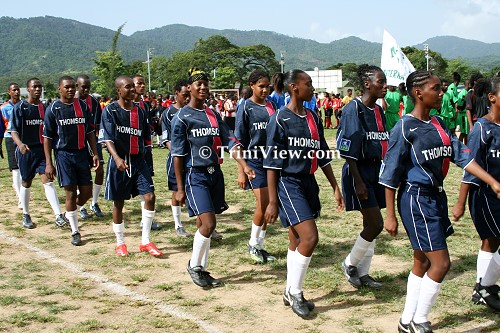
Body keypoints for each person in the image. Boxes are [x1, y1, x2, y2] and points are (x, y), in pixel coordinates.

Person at [379, 70, 500, 333]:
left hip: (436, 197)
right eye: (436, 88)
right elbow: (389, 176)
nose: (442, 93)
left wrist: (491, 181)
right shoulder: (404, 127)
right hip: (416, 199)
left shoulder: (439, 124)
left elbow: (463, 157)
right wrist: (390, 215)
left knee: (422, 262)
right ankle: (420, 321)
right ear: (418, 93)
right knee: (442, 263)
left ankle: (406, 320)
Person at [264, 69, 343, 318]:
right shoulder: (279, 119)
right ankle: (295, 292)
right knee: (310, 238)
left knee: (296, 240)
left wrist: (334, 185)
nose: (312, 88)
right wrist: (272, 201)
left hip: (309, 183)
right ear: (294, 88)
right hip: (289, 183)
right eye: (308, 84)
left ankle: (289, 289)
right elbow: (271, 164)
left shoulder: (312, 116)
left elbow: (321, 154)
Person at [170, 68, 255, 288]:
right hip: (194, 174)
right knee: (209, 224)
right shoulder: (181, 117)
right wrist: (179, 188)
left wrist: (243, 165)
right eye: (198, 84)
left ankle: (203, 268)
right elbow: (178, 156)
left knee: (203, 223)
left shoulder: (213, 114)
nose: (203, 87)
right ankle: (194, 266)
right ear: (189, 88)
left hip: (214, 173)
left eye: (206, 84)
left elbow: (230, 141)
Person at [336, 64, 389, 290]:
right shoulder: (353, 110)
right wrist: (358, 181)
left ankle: (363, 273)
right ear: (367, 84)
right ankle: (349, 263)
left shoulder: (378, 111)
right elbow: (347, 150)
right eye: (381, 82)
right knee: (377, 223)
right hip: (358, 171)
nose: (385, 86)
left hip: (376, 171)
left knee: (370, 223)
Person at [99, 76, 162, 257]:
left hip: (138, 160)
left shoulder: (141, 112)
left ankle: (145, 241)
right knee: (119, 202)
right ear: (118, 90)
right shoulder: (110, 111)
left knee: (149, 197)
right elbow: (107, 138)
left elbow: (145, 137)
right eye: (128, 87)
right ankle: (120, 243)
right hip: (119, 161)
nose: (132, 90)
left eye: (132, 87)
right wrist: (117, 158)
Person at [452, 76, 500, 312]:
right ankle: (485, 286)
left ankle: (482, 287)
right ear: (492, 97)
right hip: (485, 196)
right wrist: (460, 203)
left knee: (491, 241)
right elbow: (470, 167)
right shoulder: (482, 128)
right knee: (493, 239)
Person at [43, 76, 100, 246]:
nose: (70, 90)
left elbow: (90, 131)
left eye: (72, 87)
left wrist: (94, 153)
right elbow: (47, 138)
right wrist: (48, 163)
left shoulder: (82, 106)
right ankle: (75, 231)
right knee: (70, 191)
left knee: (86, 192)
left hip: (82, 153)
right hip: (63, 154)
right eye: (66, 87)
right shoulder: (53, 109)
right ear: (59, 88)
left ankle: (70, 212)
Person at [10, 78, 68, 229]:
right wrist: (20, 144)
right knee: (26, 182)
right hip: (26, 150)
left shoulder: (45, 108)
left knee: (48, 180)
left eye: (39, 87)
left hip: (42, 150)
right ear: (28, 89)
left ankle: (58, 215)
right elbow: (13, 130)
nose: (37, 89)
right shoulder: (20, 107)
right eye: (34, 87)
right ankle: (26, 214)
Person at [235, 69, 277, 264]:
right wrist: (241, 169)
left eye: (267, 86)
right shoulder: (245, 108)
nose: (265, 90)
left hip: (272, 161)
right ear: (251, 86)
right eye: (261, 86)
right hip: (253, 161)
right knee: (263, 203)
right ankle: (252, 243)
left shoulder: (272, 106)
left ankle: (260, 245)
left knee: (270, 204)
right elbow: (238, 141)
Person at [160, 78, 191, 237]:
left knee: (196, 189)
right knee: (176, 191)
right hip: (176, 159)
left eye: (189, 95)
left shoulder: (192, 111)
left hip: (194, 159)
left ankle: (205, 223)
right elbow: (166, 140)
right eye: (185, 95)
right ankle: (178, 224)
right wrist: (178, 153)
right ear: (177, 93)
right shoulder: (168, 113)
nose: (187, 98)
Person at [132, 74, 162, 230]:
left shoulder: (144, 105)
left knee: (147, 185)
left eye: (143, 83)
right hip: (129, 153)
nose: (142, 86)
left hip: (145, 150)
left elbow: (147, 127)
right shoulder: (125, 105)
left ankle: (146, 220)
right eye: (139, 83)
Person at [76, 74, 105, 219]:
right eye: (83, 87)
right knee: (80, 174)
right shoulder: (71, 101)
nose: (86, 90)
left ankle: (94, 202)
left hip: (92, 139)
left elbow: (98, 123)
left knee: (100, 170)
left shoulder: (93, 102)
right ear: (77, 86)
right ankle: (81, 206)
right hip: (77, 142)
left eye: (88, 87)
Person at [1, 83, 22, 209]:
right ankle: (20, 197)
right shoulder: (4, 108)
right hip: (10, 138)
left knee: (23, 168)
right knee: (15, 169)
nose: (16, 92)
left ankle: (20, 188)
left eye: (18, 89)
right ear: (9, 92)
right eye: (14, 90)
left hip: (22, 138)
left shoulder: (23, 105)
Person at [456, 80, 471, 144]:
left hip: (465, 115)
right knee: (463, 132)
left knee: (466, 132)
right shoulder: (463, 93)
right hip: (462, 115)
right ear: (467, 85)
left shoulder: (468, 92)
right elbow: (459, 107)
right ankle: (460, 146)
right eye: (469, 84)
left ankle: (466, 146)